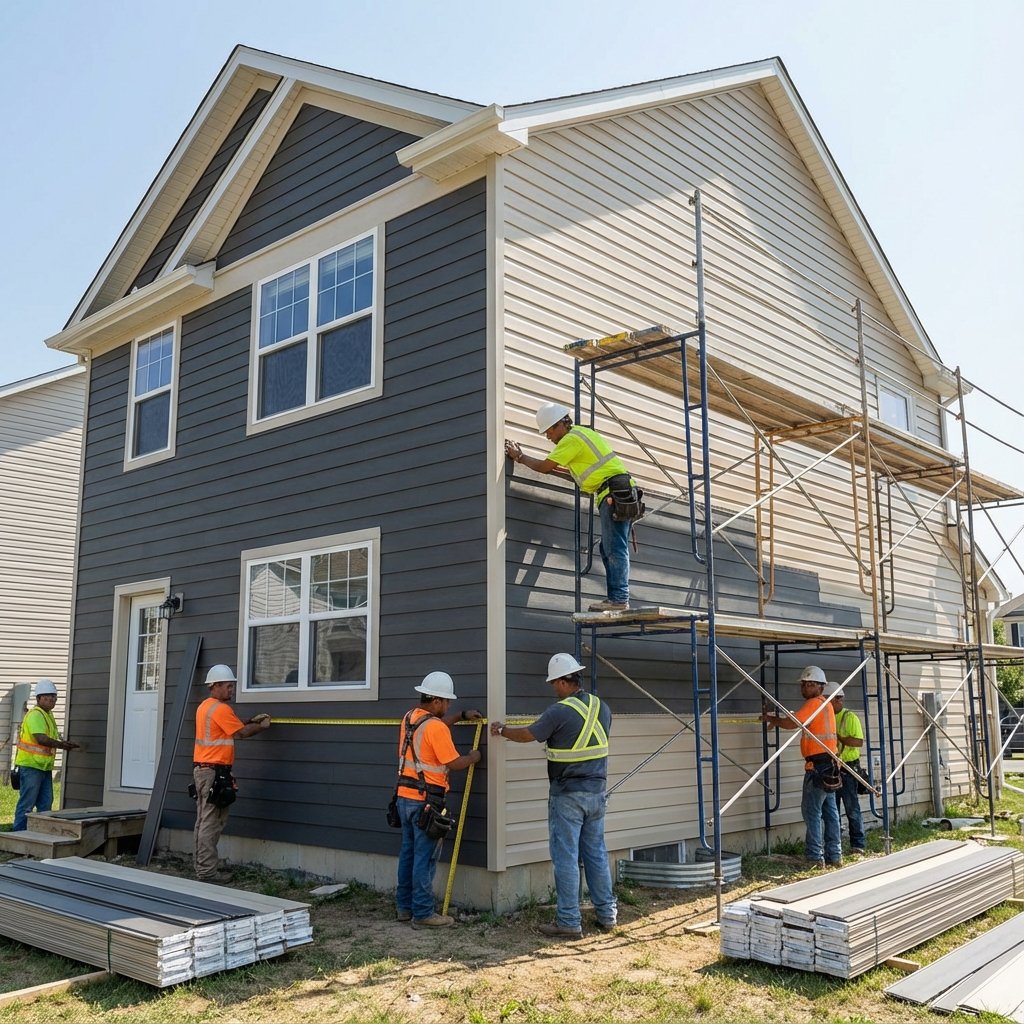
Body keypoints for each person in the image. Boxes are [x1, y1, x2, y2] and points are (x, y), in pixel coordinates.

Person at [490, 652, 617, 938]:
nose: (552, 689)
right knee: (596, 853)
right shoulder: (602, 707)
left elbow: (529, 735)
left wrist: (502, 730)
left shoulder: (558, 711)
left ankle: (569, 921)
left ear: (562, 681)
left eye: (553, 683)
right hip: (597, 793)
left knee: (566, 858)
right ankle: (607, 914)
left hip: (567, 794)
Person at [505, 402, 636, 612]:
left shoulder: (570, 440)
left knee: (614, 547)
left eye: (548, 431)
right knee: (608, 547)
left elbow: (544, 467)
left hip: (614, 493)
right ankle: (617, 598)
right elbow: (568, 473)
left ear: (559, 425)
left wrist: (519, 457)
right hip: (618, 491)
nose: (548, 437)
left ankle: (619, 599)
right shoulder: (581, 434)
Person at [394, 671, 482, 928]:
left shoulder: (410, 718)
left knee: (408, 854)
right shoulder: (435, 727)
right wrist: (474, 757)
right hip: (427, 803)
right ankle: (423, 913)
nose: (448, 706)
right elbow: (454, 762)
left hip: (404, 798)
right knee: (425, 858)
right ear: (436, 701)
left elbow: (435, 726)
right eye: (447, 702)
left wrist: (461, 716)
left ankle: (404, 907)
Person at [192, 664, 271, 881]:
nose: (231, 690)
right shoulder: (221, 709)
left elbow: (229, 728)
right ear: (215, 685)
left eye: (232, 686)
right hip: (214, 772)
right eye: (228, 686)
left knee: (203, 820)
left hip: (204, 770)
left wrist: (250, 721)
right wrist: (262, 726)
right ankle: (207, 872)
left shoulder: (204, 707)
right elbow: (241, 733)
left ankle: (201, 867)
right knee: (212, 822)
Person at [760, 665, 841, 868]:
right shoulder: (826, 705)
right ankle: (834, 855)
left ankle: (815, 857)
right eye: (803, 684)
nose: (804, 688)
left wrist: (772, 719)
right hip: (830, 765)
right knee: (830, 812)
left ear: (819, 686)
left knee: (811, 811)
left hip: (818, 768)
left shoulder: (814, 703)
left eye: (808, 684)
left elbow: (792, 724)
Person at [12, 679, 79, 831]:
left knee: (45, 804)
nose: (52, 700)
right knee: (27, 804)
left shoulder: (48, 715)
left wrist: (64, 742)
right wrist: (62, 745)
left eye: (54, 697)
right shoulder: (36, 715)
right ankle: (19, 834)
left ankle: (40, 833)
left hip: (44, 767)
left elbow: (52, 737)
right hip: (31, 766)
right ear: (38, 698)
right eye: (48, 697)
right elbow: (41, 738)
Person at [831, 686, 866, 854]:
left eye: (830, 700)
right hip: (831, 767)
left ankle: (857, 844)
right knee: (832, 809)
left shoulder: (849, 717)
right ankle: (835, 846)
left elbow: (858, 742)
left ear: (839, 700)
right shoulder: (826, 716)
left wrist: (839, 738)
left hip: (847, 767)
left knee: (851, 808)